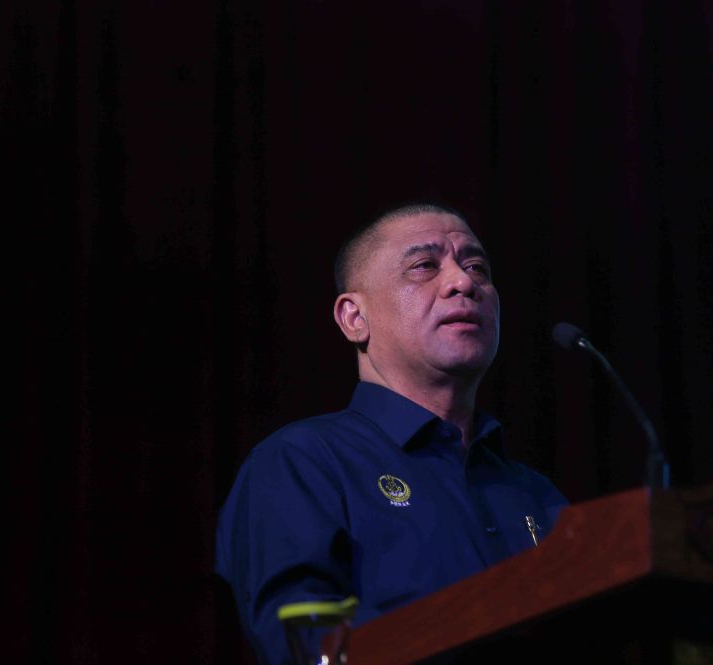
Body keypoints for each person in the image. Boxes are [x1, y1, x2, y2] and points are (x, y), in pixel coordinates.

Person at [215, 204, 568, 664]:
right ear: (353, 318)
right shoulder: (300, 463)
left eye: (477, 266)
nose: (464, 282)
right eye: (425, 266)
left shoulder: (535, 494)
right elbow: (306, 645)